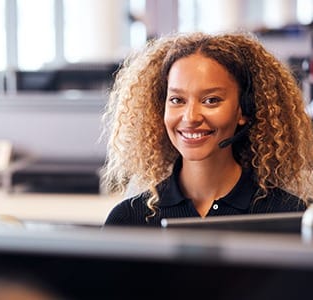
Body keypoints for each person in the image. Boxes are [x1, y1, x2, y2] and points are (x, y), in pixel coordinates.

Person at [102, 31, 313, 226]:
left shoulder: (287, 215)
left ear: (244, 109)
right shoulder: (130, 218)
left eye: (211, 100)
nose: (191, 117)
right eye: (177, 100)